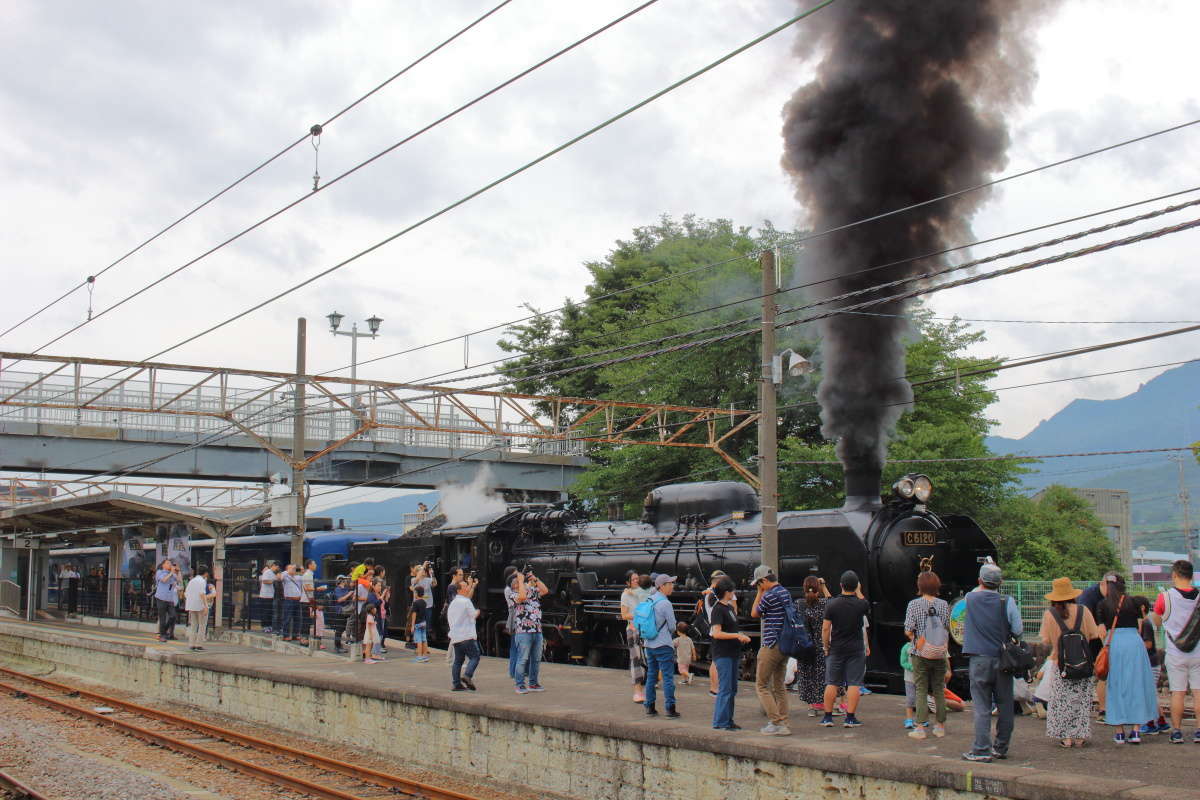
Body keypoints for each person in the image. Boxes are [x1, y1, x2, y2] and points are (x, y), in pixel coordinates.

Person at [961, 562, 1023, 763]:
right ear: (1001, 583)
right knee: (1005, 705)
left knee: (981, 707)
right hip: (1003, 659)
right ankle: (1001, 747)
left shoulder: (970, 598)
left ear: (979, 580)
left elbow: (974, 591)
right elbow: (1018, 629)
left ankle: (981, 750)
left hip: (978, 658)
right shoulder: (1007, 601)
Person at [1037, 577, 1100, 747]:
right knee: (1081, 700)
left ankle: (1066, 738)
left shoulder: (1050, 614)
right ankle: (1080, 737)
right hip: (1084, 664)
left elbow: (1045, 641)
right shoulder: (1083, 610)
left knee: (1061, 701)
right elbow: (1094, 635)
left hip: (1061, 664)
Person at [1097, 574, 1157, 744]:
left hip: (1115, 643)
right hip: (1134, 643)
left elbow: (1101, 631)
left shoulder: (1102, 605)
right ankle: (1136, 731)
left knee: (1116, 685)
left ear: (1108, 587)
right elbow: (1141, 623)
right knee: (1136, 683)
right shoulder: (1134, 602)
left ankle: (1119, 732)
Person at [1152, 559, 1200, 744]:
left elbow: (1156, 620)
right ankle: (1198, 730)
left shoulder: (1165, 597)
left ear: (1174, 575)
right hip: (1197, 652)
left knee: (1177, 693)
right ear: (1191, 576)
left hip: (1175, 653)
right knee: (1198, 692)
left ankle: (1177, 732)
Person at [820, 570, 870, 729]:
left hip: (836, 647)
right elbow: (864, 602)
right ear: (856, 586)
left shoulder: (832, 604)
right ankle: (850, 718)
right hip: (855, 648)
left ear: (840, 585)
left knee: (832, 682)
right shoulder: (861, 604)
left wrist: (826, 645)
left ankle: (827, 717)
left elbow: (826, 628)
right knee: (854, 683)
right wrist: (859, 590)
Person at [904, 570, 951, 739]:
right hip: (939, 652)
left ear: (920, 585)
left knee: (921, 689)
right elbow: (946, 627)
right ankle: (940, 726)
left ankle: (920, 728)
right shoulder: (944, 604)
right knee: (939, 689)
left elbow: (908, 629)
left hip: (920, 652)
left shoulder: (914, 604)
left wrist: (916, 640)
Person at [751, 564, 792, 735]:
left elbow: (754, 613)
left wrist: (760, 593)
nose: (759, 588)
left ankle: (776, 722)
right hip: (785, 645)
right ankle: (783, 722)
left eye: (759, 584)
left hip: (771, 645)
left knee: (761, 685)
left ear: (764, 581)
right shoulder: (785, 592)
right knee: (779, 685)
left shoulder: (769, 595)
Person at [708, 576, 749, 730]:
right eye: (732, 590)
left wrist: (739, 634)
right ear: (726, 592)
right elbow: (717, 633)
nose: (734, 592)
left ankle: (728, 719)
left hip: (732, 652)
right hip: (723, 653)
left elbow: (730, 629)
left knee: (732, 688)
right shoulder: (718, 609)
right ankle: (720, 721)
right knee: (725, 688)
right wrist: (737, 635)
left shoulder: (729, 608)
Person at [1078, 572, 1119, 716]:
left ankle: (1105, 707)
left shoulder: (1114, 597)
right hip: (1087, 639)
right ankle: (1093, 708)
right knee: (1090, 674)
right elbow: (1082, 623)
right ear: (1102, 584)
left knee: (1105, 674)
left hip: (1106, 639)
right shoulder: (1088, 597)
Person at [642, 574, 680, 718]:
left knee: (652, 675)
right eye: (670, 584)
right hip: (663, 644)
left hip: (649, 644)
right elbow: (672, 626)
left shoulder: (649, 599)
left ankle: (649, 706)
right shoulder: (666, 603)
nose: (672, 586)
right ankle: (670, 708)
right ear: (662, 586)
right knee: (668, 677)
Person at [796, 576, 831, 716]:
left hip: (804, 645)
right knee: (821, 675)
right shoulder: (824, 604)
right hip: (820, 644)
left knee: (807, 674)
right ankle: (821, 703)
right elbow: (832, 600)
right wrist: (823, 585)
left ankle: (811, 706)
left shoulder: (799, 604)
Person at [510, 568, 549, 694]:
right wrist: (521, 581)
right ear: (515, 585)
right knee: (523, 659)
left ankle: (533, 683)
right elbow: (522, 596)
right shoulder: (513, 594)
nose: (526, 583)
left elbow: (545, 590)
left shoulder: (532, 592)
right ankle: (519, 685)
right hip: (523, 632)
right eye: (521, 583)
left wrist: (534, 579)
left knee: (536, 659)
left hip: (537, 630)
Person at [694, 570, 726, 696]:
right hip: (719, 630)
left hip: (716, 630)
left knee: (716, 660)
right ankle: (715, 688)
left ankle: (715, 688)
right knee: (717, 661)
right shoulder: (712, 595)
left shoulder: (710, 593)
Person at [620, 570, 648, 703]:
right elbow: (624, 615)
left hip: (646, 630)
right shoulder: (626, 595)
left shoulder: (644, 592)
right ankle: (637, 691)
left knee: (647, 659)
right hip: (633, 629)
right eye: (634, 579)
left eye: (638, 578)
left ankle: (647, 689)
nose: (637, 581)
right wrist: (639, 614)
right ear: (628, 582)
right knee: (636, 661)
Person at [447, 582, 481, 691]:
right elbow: (473, 615)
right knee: (475, 657)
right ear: (459, 590)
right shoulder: (466, 601)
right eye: (465, 586)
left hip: (456, 637)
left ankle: (456, 684)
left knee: (458, 660)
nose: (467, 587)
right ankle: (467, 675)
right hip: (466, 635)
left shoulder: (452, 603)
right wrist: (477, 612)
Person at [184, 566, 214, 651]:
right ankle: (199, 644)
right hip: (200, 606)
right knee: (202, 625)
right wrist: (205, 606)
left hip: (191, 606)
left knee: (193, 625)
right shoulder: (202, 581)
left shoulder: (192, 581)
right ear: (206, 573)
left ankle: (191, 644)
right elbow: (202, 594)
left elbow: (186, 593)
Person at [154, 559, 181, 642]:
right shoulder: (160, 572)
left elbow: (179, 580)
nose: (170, 565)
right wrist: (171, 573)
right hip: (161, 598)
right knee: (162, 617)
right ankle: (162, 635)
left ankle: (164, 632)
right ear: (163, 565)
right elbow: (164, 580)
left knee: (173, 616)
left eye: (170, 563)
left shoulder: (172, 574)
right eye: (168, 563)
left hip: (170, 599)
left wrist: (178, 571)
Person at [279, 564, 304, 642]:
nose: (293, 569)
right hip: (289, 600)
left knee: (298, 618)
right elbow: (280, 578)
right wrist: (288, 571)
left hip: (297, 600)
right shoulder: (285, 577)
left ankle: (295, 635)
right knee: (287, 618)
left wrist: (301, 569)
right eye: (292, 568)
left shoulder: (298, 577)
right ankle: (285, 635)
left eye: (294, 568)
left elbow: (304, 575)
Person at [331, 576, 354, 654]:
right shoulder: (338, 589)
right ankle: (337, 646)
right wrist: (349, 594)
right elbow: (340, 599)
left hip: (345, 611)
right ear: (341, 581)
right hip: (339, 611)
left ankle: (339, 645)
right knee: (339, 629)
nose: (346, 581)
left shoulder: (345, 589)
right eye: (344, 579)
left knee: (342, 629)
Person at [410, 585, 430, 662]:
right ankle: (425, 655)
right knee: (424, 639)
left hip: (417, 623)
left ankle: (419, 656)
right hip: (423, 622)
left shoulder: (415, 603)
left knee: (419, 640)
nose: (414, 594)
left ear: (417, 593)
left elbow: (414, 614)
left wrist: (412, 625)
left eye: (415, 592)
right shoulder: (424, 602)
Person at [257, 561, 278, 633]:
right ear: (274, 565)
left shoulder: (272, 573)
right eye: (277, 567)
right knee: (265, 612)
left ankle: (269, 626)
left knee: (269, 611)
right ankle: (264, 626)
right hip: (265, 596)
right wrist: (274, 580)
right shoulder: (267, 572)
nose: (277, 569)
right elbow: (265, 581)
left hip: (271, 595)